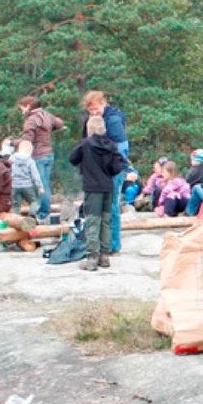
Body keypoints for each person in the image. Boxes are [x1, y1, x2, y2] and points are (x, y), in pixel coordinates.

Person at [69, 115, 126, 272]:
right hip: (108, 187)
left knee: (93, 222)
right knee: (106, 222)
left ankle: (92, 259)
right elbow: (119, 165)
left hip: (92, 189)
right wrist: (108, 171)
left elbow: (72, 159)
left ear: (89, 129)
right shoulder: (112, 145)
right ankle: (104, 257)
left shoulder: (86, 144)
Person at [81, 91, 130, 254]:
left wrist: (111, 169)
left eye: (96, 109)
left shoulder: (114, 120)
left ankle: (113, 245)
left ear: (104, 103)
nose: (93, 113)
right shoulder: (91, 120)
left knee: (112, 207)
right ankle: (101, 243)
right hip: (98, 171)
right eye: (90, 111)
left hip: (114, 170)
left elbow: (122, 149)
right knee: (100, 208)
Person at [17, 95, 64, 221]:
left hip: (38, 156)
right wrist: (48, 129)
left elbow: (27, 141)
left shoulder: (31, 120)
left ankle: (43, 214)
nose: (21, 111)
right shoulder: (46, 114)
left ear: (28, 106)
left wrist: (11, 143)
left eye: (21, 108)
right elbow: (59, 123)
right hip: (49, 155)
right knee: (45, 184)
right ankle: (43, 211)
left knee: (40, 186)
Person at [9, 138, 43, 214]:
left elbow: (8, 171)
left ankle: (16, 220)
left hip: (15, 186)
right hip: (27, 185)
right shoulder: (30, 161)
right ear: (29, 151)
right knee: (34, 201)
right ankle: (32, 214)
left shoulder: (11, 159)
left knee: (16, 205)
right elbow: (35, 175)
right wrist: (39, 186)